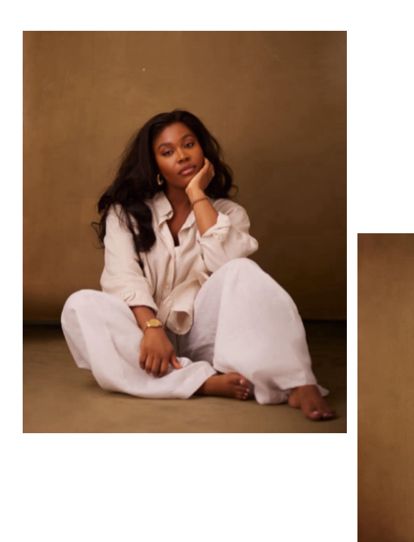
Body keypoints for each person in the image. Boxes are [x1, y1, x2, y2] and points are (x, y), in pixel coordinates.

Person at [61, 109, 335, 421]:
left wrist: (197, 195)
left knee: (241, 270)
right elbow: (122, 276)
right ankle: (201, 382)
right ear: (156, 167)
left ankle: (297, 380)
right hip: (143, 338)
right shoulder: (124, 214)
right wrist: (151, 328)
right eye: (167, 152)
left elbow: (225, 266)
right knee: (79, 305)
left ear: (202, 150)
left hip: (206, 336)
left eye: (188, 145)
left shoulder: (229, 213)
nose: (181, 156)